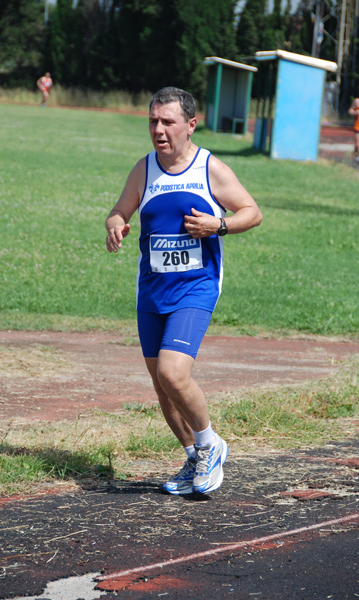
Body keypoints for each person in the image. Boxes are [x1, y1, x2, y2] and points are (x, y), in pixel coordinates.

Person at [105, 87, 262, 496]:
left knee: (174, 372)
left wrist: (219, 225)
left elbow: (252, 212)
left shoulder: (210, 168)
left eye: (167, 122)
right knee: (162, 385)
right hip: (152, 291)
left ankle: (211, 444)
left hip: (196, 286)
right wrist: (115, 222)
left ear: (190, 125)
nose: (158, 129)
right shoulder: (144, 170)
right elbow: (121, 209)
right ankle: (193, 458)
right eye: (153, 121)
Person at [348, 97, 359, 164]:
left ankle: (358, 157)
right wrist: (355, 112)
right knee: (357, 144)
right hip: (357, 127)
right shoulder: (357, 101)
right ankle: (355, 154)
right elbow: (350, 110)